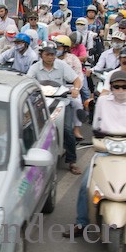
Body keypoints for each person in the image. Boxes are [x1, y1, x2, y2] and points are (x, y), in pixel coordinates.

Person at [63, 70, 126, 238]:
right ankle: (81, 223)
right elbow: (95, 125)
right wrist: (97, 137)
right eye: (116, 86)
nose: (120, 90)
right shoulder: (103, 102)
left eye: (124, 87)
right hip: (106, 149)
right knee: (86, 185)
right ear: (111, 87)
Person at [27, 41, 83, 175]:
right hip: (41, 103)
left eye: (53, 54)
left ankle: (72, 161)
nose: (51, 57)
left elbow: (76, 80)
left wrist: (75, 89)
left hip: (62, 101)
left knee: (67, 130)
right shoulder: (35, 67)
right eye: (47, 54)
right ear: (42, 55)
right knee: (30, 128)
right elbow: (27, 81)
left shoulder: (62, 65)